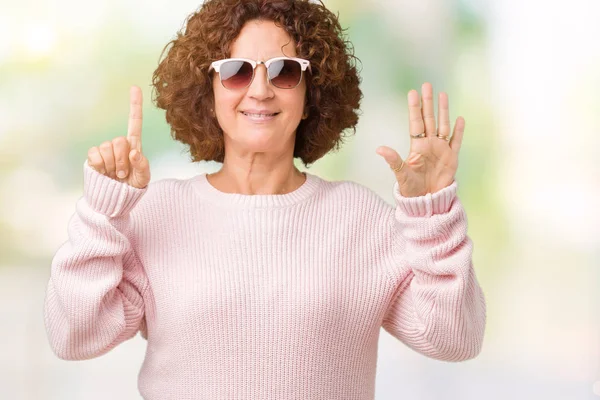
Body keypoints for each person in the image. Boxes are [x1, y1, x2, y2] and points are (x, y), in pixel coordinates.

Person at [43, 0, 486, 399]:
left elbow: (454, 338)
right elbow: (74, 335)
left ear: (311, 93)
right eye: (236, 71)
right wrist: (103, 213)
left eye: (283, 71)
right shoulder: (158, 213)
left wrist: (433, 214)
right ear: (208, 89)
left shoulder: (360, 220)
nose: (259, 90)